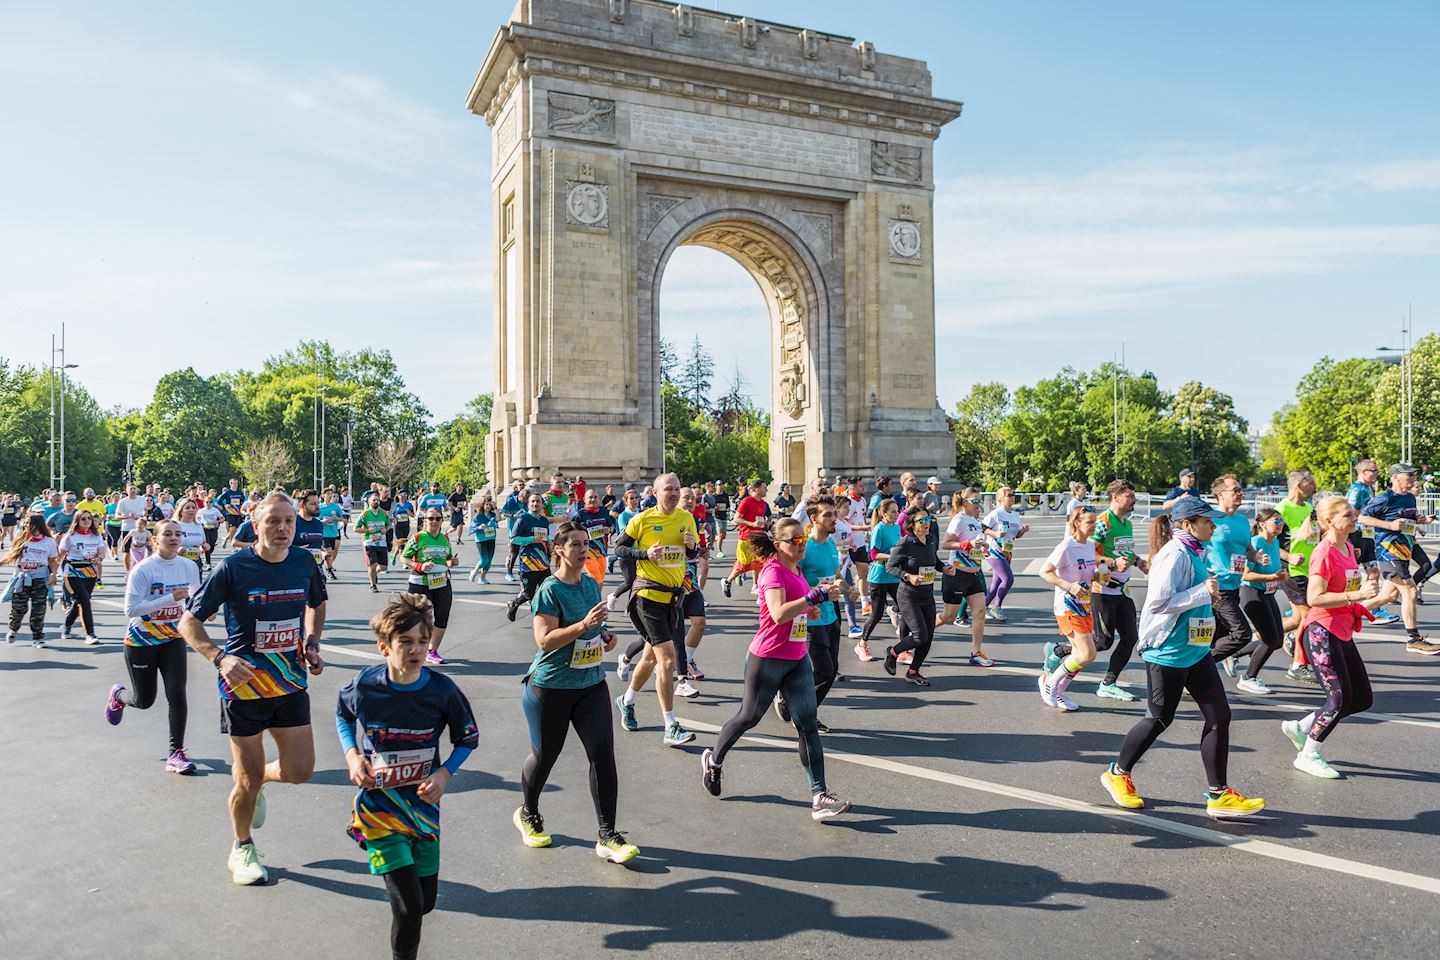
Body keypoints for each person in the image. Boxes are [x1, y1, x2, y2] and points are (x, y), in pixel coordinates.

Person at [177, 492, 327, 885]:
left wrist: (311, 642)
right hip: (244, 689)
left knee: (300, 771)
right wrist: (220, 658)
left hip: (291, 682)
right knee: (246, 780)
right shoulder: (234, 568)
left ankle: (258, 780)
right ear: (255, 525)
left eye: (289, 521)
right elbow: (188, 623)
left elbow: (317, 601)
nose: (283, 529)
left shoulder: (303, 562)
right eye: (273, 521)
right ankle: (241, 847)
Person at [1099, 497, 1265, 820]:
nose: (1213, 526)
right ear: (1187, 525)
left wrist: (1206, 593)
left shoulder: (1193, 551)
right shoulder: (1173, 555)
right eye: (1207, 522)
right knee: (1159, 719)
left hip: (1196, 650)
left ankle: (1218, 794)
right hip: (1168, 652)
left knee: (1219, 716)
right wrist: (1203, 592)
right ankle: (1118, 773)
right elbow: (1159, 603)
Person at [336, 593, 479, 960]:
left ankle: (405, 888)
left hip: (423, 810)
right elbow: (342, 714)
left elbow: (468, 738)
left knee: (425, 902)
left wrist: (445, 774)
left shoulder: (442, 690)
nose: (416, 650)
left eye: (422, 642)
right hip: (379, 809)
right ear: (384, 646)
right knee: (409, 909)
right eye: (405, 642)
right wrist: (353, 756)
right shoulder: (366, 685)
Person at [700, 516, 850, 821]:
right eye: (795, 540)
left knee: (807, 724)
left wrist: (811, 608)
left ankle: (819, 795)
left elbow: (798, 607)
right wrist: (815, 596)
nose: (802, 543)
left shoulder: (795, 569)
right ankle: (713, 761)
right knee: (749, 717)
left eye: (803, 538)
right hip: (767, 658)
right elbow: (779, 613)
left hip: (796, 658)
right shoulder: (772, 572)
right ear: (778, 544)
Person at [514, 521, 639, 864]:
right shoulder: (549, 590)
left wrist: (604, 635)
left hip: (590, 684)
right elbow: (544, 639)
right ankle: (528, 812)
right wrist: (584, 625)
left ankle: (608, 835)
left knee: (603, 756)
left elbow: (594, 625)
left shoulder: (589, 583)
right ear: (559, 550)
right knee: (545, 757)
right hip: (551, 686)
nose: (584, 550)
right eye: (576, 545)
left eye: (586, 544)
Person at [1281, 496, 1378, 779]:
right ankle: (1308, 755)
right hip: (1321, 632)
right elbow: (1315, 597)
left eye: (1352, 513)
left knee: (1360, 699)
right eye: (1347, 515)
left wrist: (1376, 595)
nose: (1354, 517)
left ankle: (1300, 728)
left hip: (1342, 630)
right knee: (1338, 698)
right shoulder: (1323, 553)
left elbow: (1347, 589)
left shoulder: (1347, 546)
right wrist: (1357, 594)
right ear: (1328, 521)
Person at [104, 518, 202, 774]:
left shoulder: (189, 566)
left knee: (177, 694)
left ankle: (176, 753)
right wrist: (170, 598)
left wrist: (204, 611)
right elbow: (131, 610)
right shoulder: (143, 570)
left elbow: (197, 598)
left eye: (178, 534)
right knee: (144, 700)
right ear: (154, 539)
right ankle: (119, 697)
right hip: (141, 641)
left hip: (173, 638)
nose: (174, 538)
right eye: (167, 534)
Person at [611, 474, 698, 746]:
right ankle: (670, 726)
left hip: (673, 599)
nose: (673, 494)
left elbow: (692, 553)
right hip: (647, 597)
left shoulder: (686, 518)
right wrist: (645, 555)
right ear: (656, 492)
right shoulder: (643, 519)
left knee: (649, 659)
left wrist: (692, 547)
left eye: (676, 489)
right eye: (667, 490)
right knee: (668, 661)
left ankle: (626, 701)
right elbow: (619, 548)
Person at [776, 497, 844, 730]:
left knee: (832, 669)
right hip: (810, 615)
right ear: (814, 519)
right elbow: (791, 580)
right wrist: (815, 594)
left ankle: (790, 701)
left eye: (834, 513)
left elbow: (835, 574)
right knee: (824, 670)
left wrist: (846, 588)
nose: (833, 518)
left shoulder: (831, 543)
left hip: (832, 613)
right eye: (827, 515)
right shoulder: (804, 547)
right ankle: (803, 714)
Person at [1359, 463, 1440, 655]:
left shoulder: (1410, 498)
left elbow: (1407, 519)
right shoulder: (1385, 498)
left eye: (1414, 475)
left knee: (1389, 596)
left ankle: (1348, 612)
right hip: (1389, 551)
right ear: (1395, 477)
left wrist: (1419, 522)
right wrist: (1389, 524)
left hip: (1406, 549)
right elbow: (1363, 517)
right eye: (1409, 474)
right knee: (1410, 591)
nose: (1413, 477)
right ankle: (1413, 639)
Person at [1217, 508, 1288, 695]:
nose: (1280, 524)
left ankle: (1234, 654)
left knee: (1277, 640)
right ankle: (1248, 678)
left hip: (1268, 593)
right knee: (1270, 638)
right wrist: (1272, 576)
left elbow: (1273, 570)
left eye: (1281, 520)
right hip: (1252, 593)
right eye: (1276, 520)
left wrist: (1280, 576)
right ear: (1263, 524)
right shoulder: (1256, 542)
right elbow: (1245, 575)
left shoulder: (1275, 542)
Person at [1038, 506, 1102, 711]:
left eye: (1095, 521)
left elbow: (1087, 575)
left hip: (1085, 606)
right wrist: (1069, 586)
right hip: (1067, 606)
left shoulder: (1090, 546)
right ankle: (1050, 682)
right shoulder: (1066, 546)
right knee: (1085, 654)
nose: (1095, 525)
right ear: (1077, 523)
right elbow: (1045, 572)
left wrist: (1101, 577)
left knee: (1084, 655)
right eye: (1090, 522)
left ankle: (1059, 690)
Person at [1090, 480, 1149, 702]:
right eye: (1130, 496)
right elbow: (1088, 554)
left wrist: (1139, 561)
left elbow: (1125, 551)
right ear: (1116, 497)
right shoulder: (1103, 522)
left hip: (1122, 591)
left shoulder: (1127, 523)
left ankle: (1108, 683)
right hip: (1102, 589)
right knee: (1101, 643)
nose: (1134, 500)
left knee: (1130, 637)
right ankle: (1058, 652)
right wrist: (1113, 564)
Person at [1203, 475, 1257, 672]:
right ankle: (1195, 668)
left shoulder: (1242, 521)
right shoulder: (1209, 518)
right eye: (1236, 490)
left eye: (1241, 490)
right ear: (1220, 494)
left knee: (1215, 638)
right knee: (1242, 633)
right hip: (1217, 588)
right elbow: (1195, 548)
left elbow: (1248, 549)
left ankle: (1199, 675)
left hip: (1235, 586)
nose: (1240, 494)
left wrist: (1257, 557)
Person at [938, 488, 995, 666]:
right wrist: (967, 544)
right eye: (975, 501)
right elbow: (946, 544)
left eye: (980, 501)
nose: (979, 505)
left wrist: (982, 549)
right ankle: (915, 634)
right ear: (965, 502)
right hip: (957, 574)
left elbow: (973, 546)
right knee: (948, 616)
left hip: (974, 574)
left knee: (980, 612)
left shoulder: (975, 522)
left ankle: (976, 652)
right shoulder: (959, 519)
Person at [884, 509, 940, 685]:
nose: (926, 523)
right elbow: (890, 567)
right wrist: (909, 576)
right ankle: (893, 652)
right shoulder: (905, 543)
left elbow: (935, 561)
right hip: (908, 596)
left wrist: (945, 568)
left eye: (928, 519)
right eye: (921, 520)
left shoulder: (930, 539)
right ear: (912, 524)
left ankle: (913, 672)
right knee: (919, 636)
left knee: (928, 636)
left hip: (927, 594)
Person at [1277, 469, 1322, 683]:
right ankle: (1298, 665)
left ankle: (1253, 642)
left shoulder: (1308, 507)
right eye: (1311, 483)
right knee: (1309, 616)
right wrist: (1289, 557)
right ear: (1299, 485)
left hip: (1310, 570)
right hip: (1292, 572)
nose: (1315, 487)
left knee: (1296, 619)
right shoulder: (1282, 509)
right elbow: (1266, 542)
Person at [401, 509, 458, 665]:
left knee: (442, 616)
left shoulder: (445, 538)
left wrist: (451, 562)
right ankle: (410, 648)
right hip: (420, 583)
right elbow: (404, 557)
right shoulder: (418, 537)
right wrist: (419, 565)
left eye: (438, 518)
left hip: (441, 581)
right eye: (431, 518)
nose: (434, 521)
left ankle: (432, 651)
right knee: (416, 619)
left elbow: (446, 559)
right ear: (424, 520)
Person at [856, 498, 901, 662]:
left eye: (897, 511)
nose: (897, 514)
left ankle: (903, 649)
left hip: (894, 576)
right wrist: (893, 557)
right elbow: (873, 555)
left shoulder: (896, 528)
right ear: (884, 514)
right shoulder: (879, 529)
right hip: (879, 576)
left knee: (906, 609)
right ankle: (862, 644)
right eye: (893, 512)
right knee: (876, 614)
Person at [5, 514, 58, 646]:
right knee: (19, 608)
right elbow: (12, 555)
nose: (26, 525)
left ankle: (37, 637)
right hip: (22, 578)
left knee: (38, 610)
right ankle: (13, 628)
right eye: (26, 523)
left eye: (29, 523)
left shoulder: (49, 541)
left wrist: (54, 574)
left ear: (38, 525)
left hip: (40, 578)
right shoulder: (22, 538)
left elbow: (52, 560)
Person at [58, 509, 105, 645]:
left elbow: (101, 551)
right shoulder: (70, 536)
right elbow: (60, 555)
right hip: (72, 571)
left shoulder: (96, 536)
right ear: (77, 521)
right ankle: (90, 634)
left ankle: (67, 625)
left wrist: (99, 558)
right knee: (85, 601)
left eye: (89, 518)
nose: (87, 521)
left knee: (81, 601)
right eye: (83, 519)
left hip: (89, 572)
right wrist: (53, 573)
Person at [982, 486, 1029, 620]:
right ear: (1001, 498)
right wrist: (996, 533)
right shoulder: (996, 513)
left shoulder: (1014, 515)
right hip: (994, 550)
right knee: (1008, 579)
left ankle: (982, 607)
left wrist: (1023, 531)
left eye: (1014, 494)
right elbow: (983, 527)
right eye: (1009, 495)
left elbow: (1016, 535)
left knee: (996, 583)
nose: (1013, 497)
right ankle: (997, 607)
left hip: (1007, 551)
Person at [505, 494, 553, 622]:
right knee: (528, 594)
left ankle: (542, 621)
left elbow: (544, 537)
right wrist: (531, 539)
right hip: (528, 563)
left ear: (542, 505)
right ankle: (514, 603)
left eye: (538, 502)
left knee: (546, 591)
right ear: (528, 504)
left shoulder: (544, 520)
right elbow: (514, 539)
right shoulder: (523, 519)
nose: (535, 504)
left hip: (543, 563)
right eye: (532, 502)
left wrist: (549, 542)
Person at [721, 480, 771, 598]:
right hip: (745, 538)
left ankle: (756, 587)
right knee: (743, 565)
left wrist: (767, 523)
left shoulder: (764, 504)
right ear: (756, 489)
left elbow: (768, 517)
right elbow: (736, 519)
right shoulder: (746, 501)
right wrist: (752, 524)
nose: (767, 490)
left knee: (759, 563)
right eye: (764, 487)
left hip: (759, 538)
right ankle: (727, 581)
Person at [569, 487, 616, 588]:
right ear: (585, 500)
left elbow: (610, 524)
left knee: (600, 580)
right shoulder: (579, 515)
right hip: (587, 552)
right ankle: (596, 602)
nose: (593, 499)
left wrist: (610, 528)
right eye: (590, 497)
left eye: (595, 497)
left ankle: (594, 600)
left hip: (602, 551)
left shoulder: (603, 511)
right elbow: (571, 531)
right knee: (596, 579)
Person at [357, 493, 393, 594]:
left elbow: (389, 524)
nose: (376, 501)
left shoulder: (384, 513)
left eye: (377, 500)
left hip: (382, 543)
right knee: (373, 565)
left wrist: (385, 529)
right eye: (374, 500)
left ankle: (373, 574)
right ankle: (373, 585)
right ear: (369, 501)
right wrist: (368, 530)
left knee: (383, 567)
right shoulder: (364, 514)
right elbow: (356, 528)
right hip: (369, 543)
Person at [466, 494, 499, 584]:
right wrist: (479, 527)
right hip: (481, 539)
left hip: (491, 538)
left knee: (489, 560)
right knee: (485, 559)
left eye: (490, 505)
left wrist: (495, 508)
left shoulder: (492, 514)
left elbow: (498, 519)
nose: (488, 506)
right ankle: (475, 571)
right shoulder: (478, 515)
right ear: (483, 505)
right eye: (486, 504)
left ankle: (482, 578)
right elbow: (472, 527)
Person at [318, 490, 346, 581]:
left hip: (333, 533)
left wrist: (336, 518)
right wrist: (322, 521)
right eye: (328, 494)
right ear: (323, 495)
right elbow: (314, 519)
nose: (330, 496)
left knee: (330, 554)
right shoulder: (319, 507)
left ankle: (326, 567)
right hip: (323, 533)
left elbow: (343, 519)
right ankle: (329, 571)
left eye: (331, 494)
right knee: (329, 552)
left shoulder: (336, 507)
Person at [197, 498, 223, 570]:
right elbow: (196, 519)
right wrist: (201, 525)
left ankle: (206, 555)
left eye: (210, 502)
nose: (208, 503)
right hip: (205, 529)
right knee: (207, 544)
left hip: (213, 529)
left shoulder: (215, 510)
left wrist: (217, 521)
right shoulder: (201, 511)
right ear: (204, 503)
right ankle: (208, 563)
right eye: (207, 502)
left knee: (212, 545)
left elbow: (222, 518)